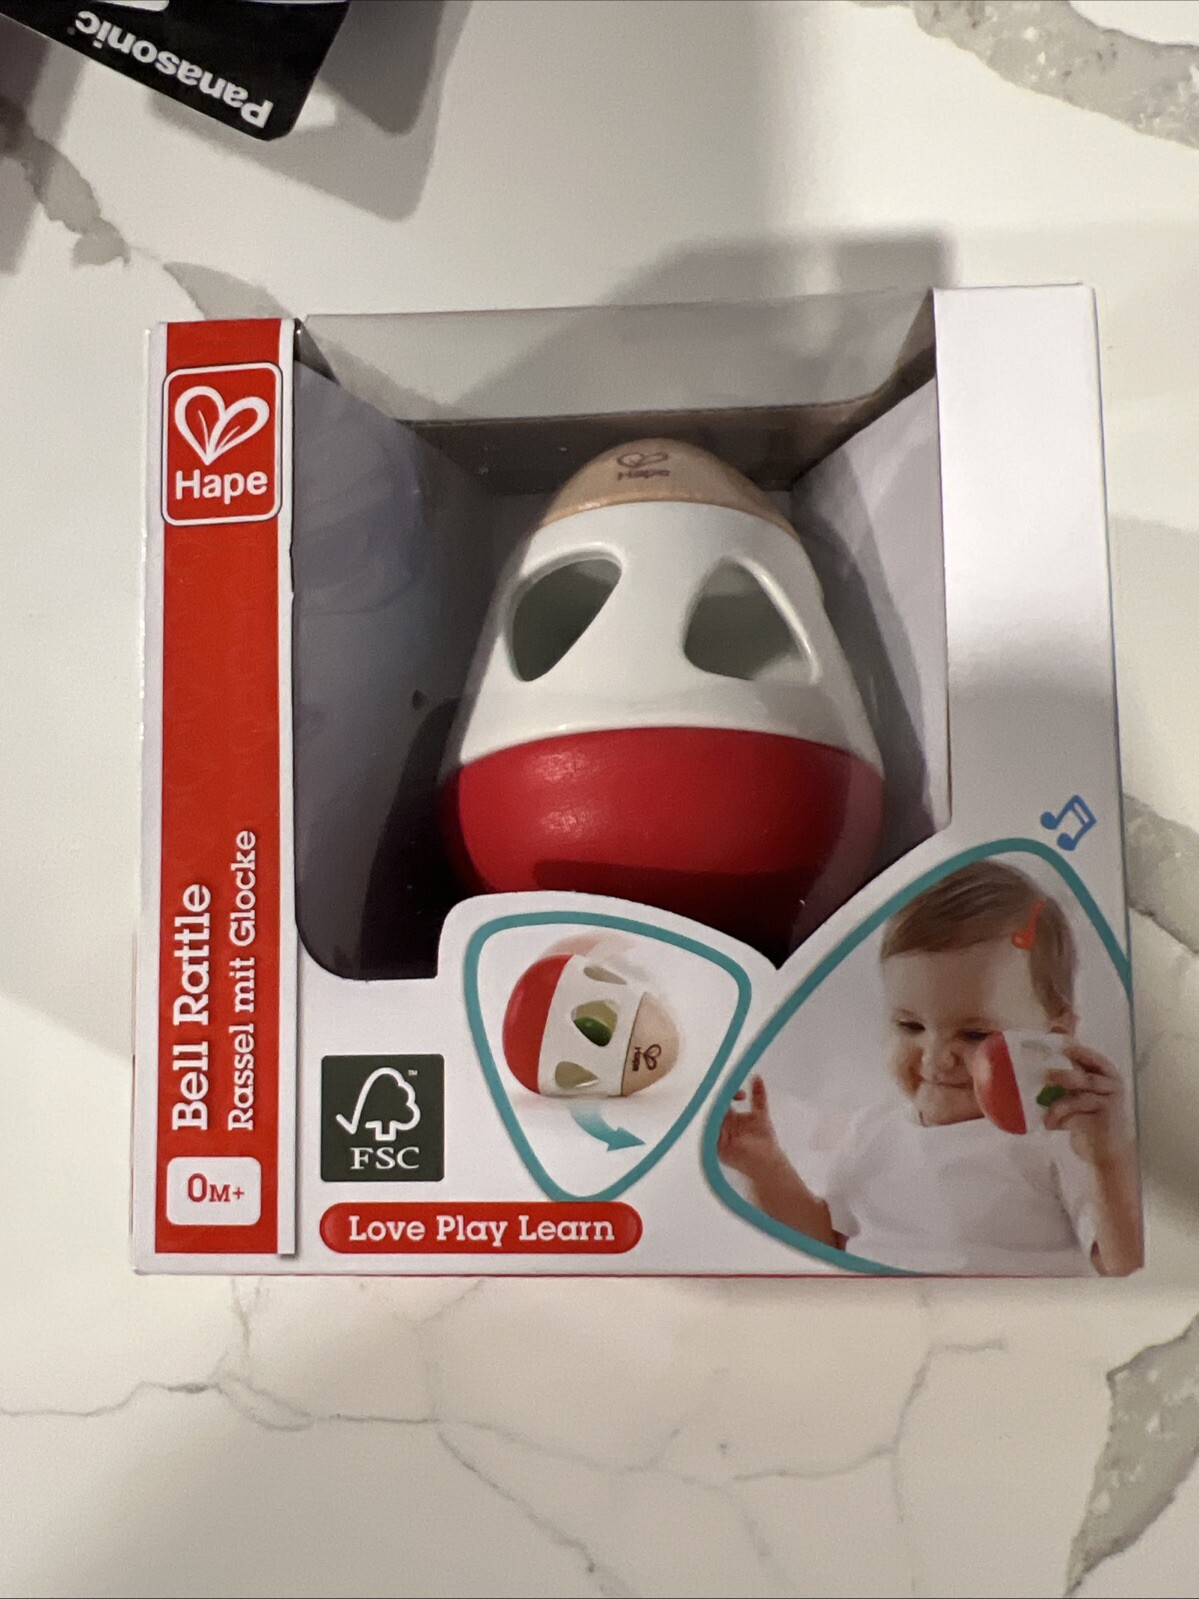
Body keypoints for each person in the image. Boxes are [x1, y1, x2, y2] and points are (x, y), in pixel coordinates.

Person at [717, 861, 1142, 1275]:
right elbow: (827, 1243)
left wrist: (1108, 1158)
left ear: (1054, 1038)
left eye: (974, 1034)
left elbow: (1123, 1265)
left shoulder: (1062, 1141)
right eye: (911, 1026)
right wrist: (764, 1166)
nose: (935, 1058)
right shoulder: (873, 1130)